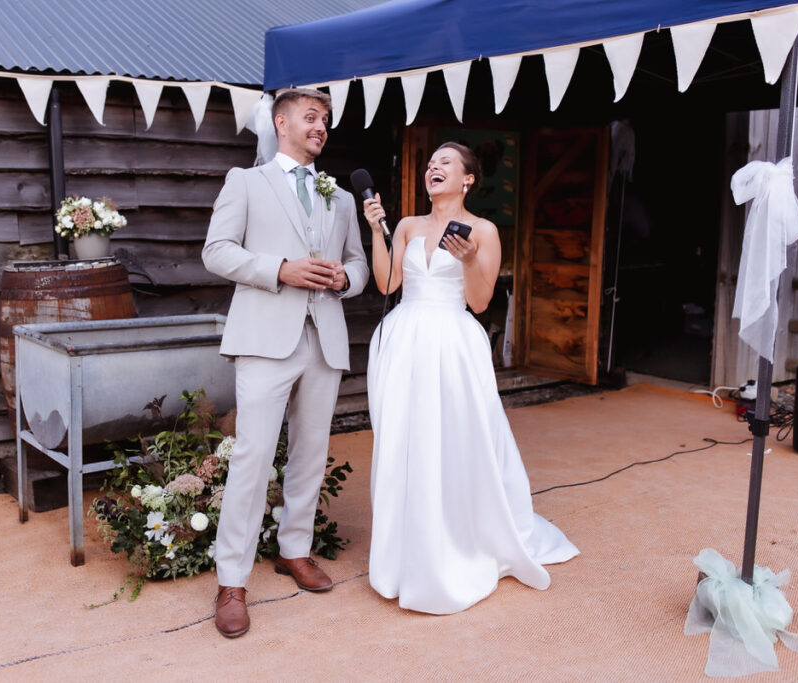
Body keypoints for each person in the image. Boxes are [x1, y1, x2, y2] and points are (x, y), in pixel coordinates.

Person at [362, 141, 579, 615]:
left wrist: (465, 261)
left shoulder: (483, 230)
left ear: (467, 179)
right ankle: (405, 548)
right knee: (403, 439)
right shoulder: (406, 225)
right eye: (430, 164)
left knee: (459, 438)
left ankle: (460, 538)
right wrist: (377, 231)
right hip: (404, 339)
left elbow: (479, 303)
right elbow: (387, 285)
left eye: (444, 163)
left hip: (454, 344)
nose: (432, 169)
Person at [202, 88, 369, 637]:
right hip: (265, 339)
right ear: (281, 122)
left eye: (326, 120)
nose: (321, 126)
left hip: (324, 338)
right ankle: (232, 579)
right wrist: (279, 269)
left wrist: (348, 279)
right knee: (252, 457)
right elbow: (217, 250)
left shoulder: (341, 198)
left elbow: (357, 263)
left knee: (311, 451)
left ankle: (294, 549)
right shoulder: (245, 182)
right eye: (311, 117)